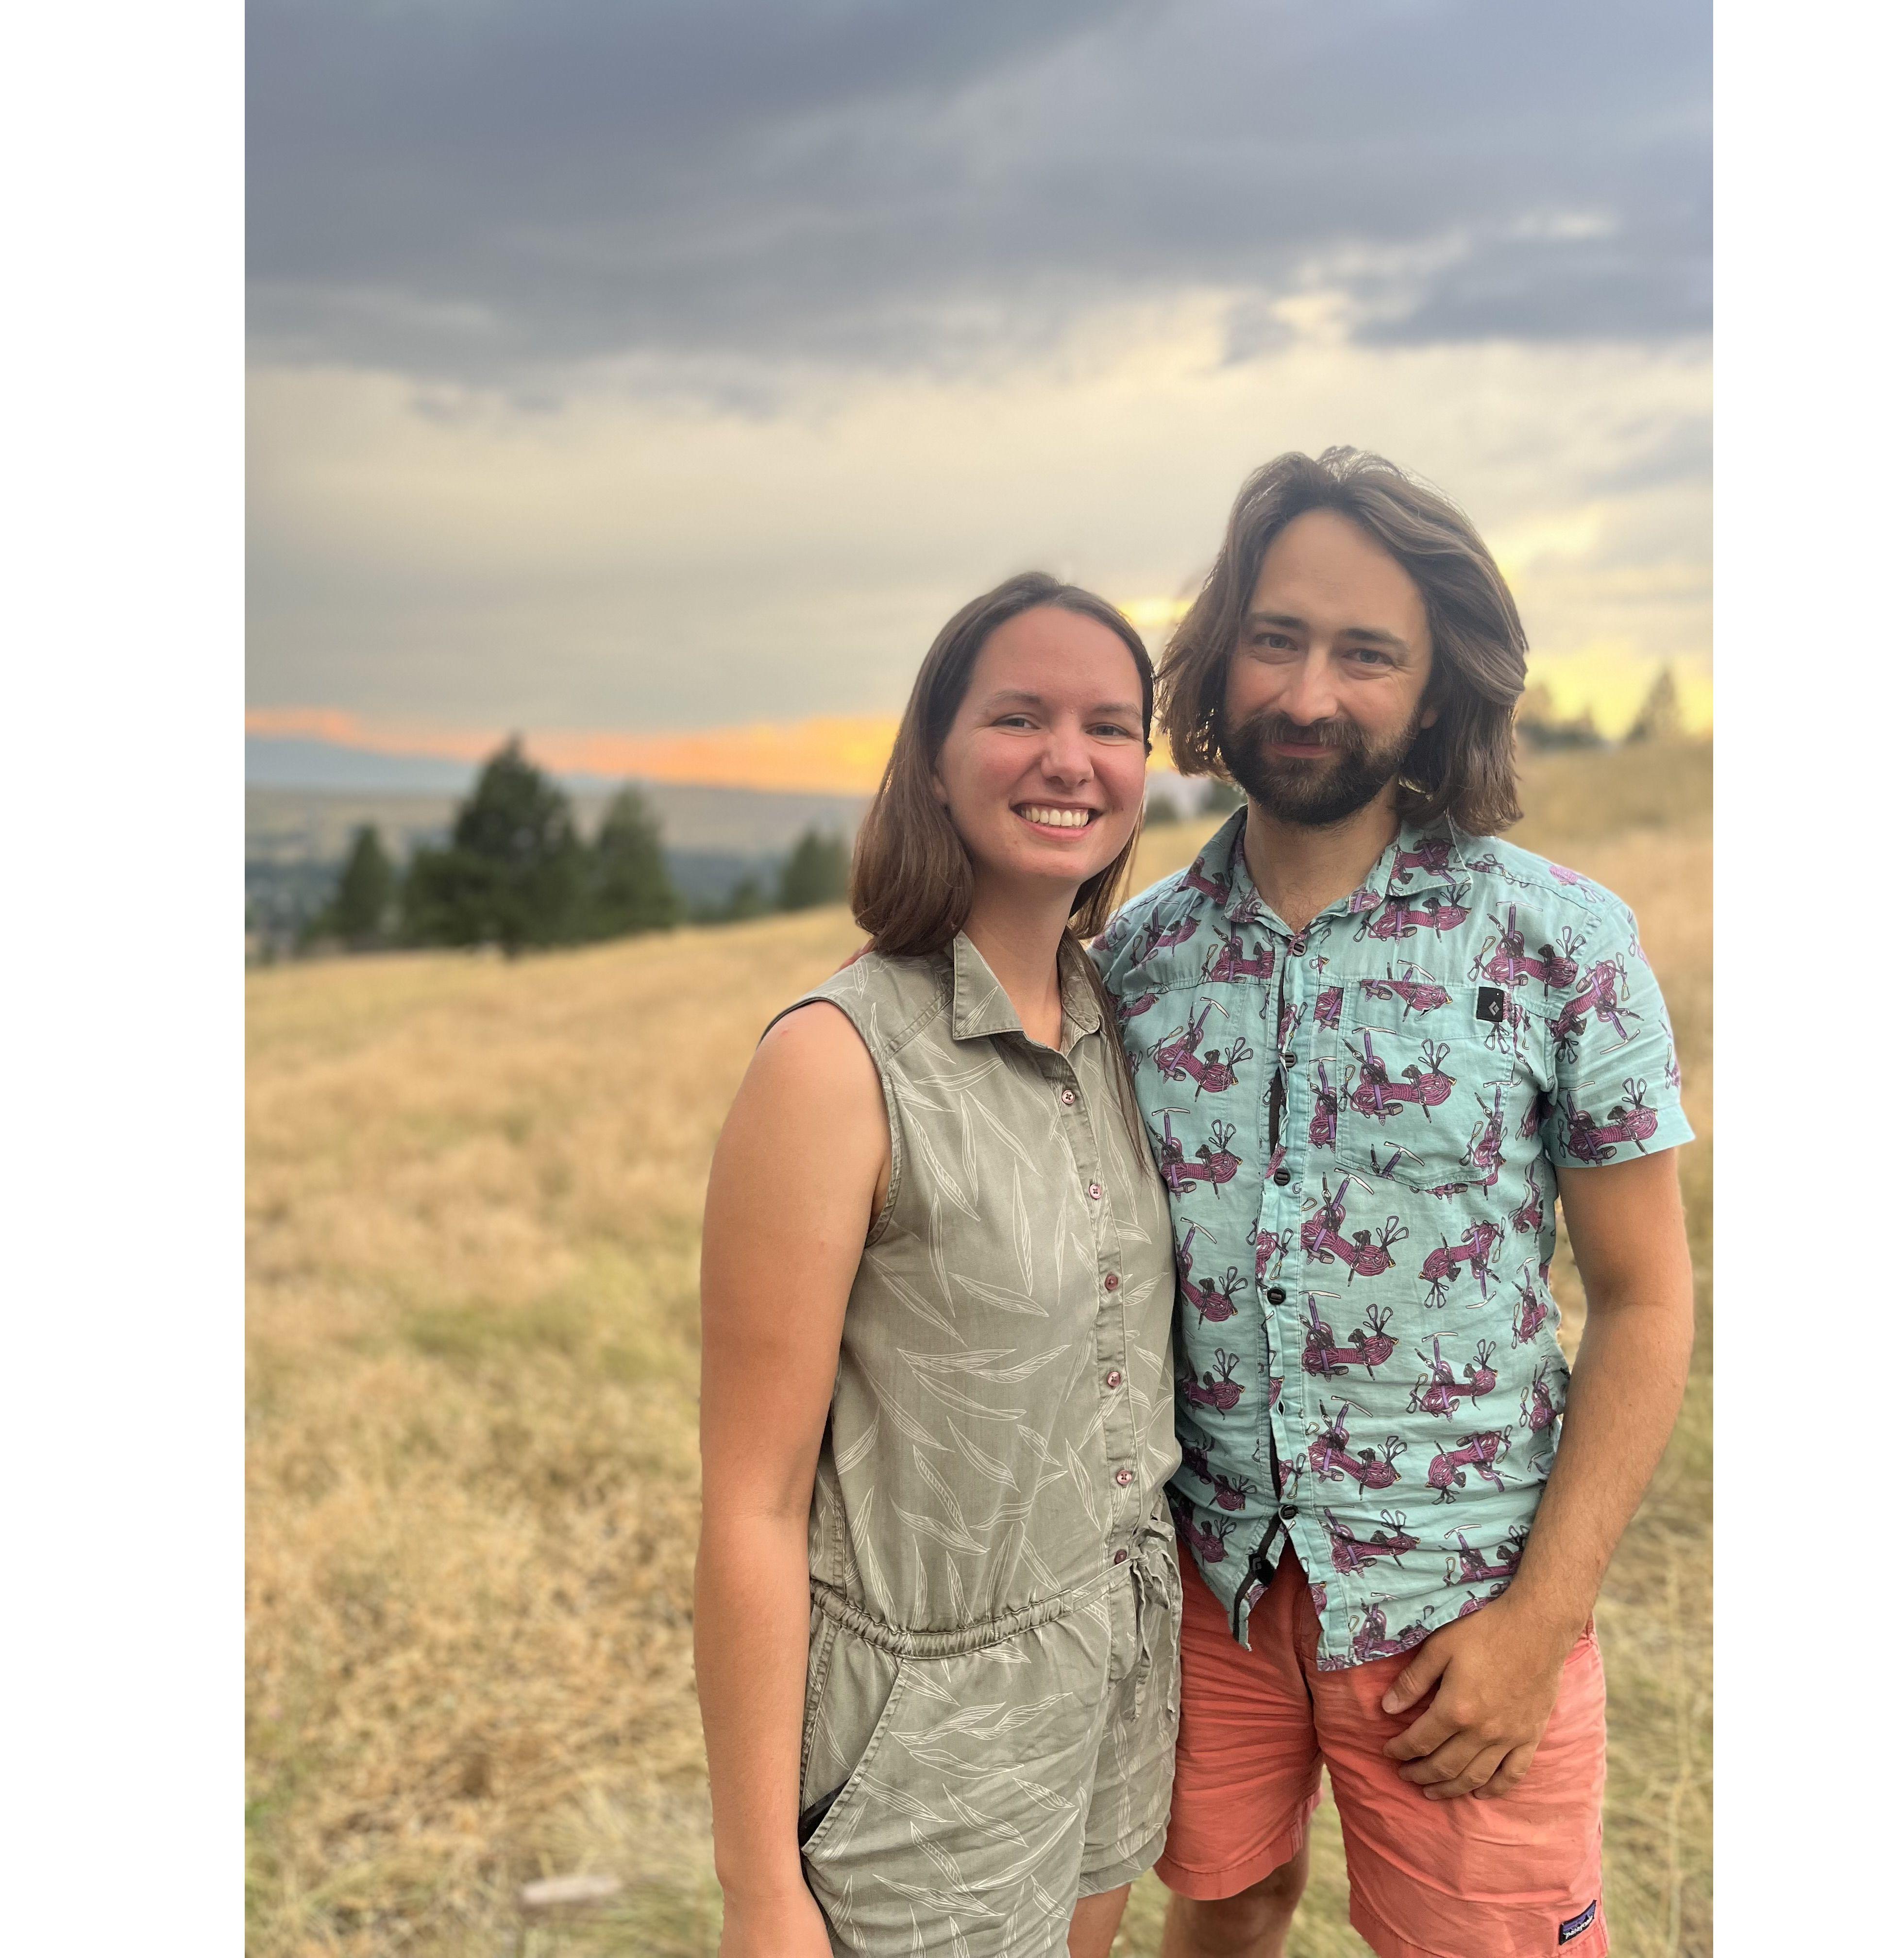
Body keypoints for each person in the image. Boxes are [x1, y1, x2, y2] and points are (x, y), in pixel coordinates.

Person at [1095, 449, 1696, 1958]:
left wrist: (1539, 1626)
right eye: (1279, 638)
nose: (1312, 693)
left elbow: (1645, 1298)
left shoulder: (1565, 944)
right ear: (1222, 657)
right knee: (1223, 1905)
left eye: (1369, 653)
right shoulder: (1136, 967)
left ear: (1435, 692)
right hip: (1211, 1589)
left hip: (1465, 1612)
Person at [695, 573, 1182, 1958]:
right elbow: (752, 1503)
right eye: (1017, 716)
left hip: (1112, 1671)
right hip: (926, 1735)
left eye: (1109, 725)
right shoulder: (832, 1064)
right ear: (935, 754)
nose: (1068, 758)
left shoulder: (1112, 1019)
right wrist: (756, 1890)